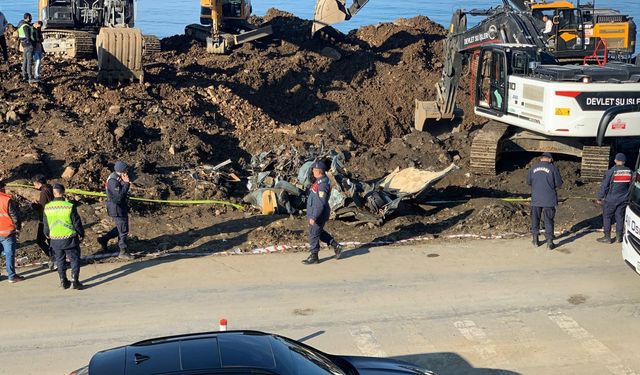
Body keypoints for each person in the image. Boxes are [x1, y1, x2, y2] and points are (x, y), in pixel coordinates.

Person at [43, 184, 84, 289]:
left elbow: (46, 224)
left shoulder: (47, 207)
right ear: (63, 192)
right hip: (69, 238)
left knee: (60, 260)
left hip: (55, 239)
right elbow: (76, 222)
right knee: (74, 259)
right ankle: (75, 281)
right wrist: (81, 233)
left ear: (54, 193)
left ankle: (63, 281)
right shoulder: (69, 206)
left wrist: (47, 234)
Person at [302, 161, 343, 265]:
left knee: (314, 234)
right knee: (318, 233)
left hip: (318, 213)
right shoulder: (320, 181)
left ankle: (314, 256)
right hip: (315, 212)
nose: (312, 171)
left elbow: (321, 203)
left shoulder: (323, 184)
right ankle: (336, 245)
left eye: (314, 170)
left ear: (318, 171)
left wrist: (314, 216)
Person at [98, 160, 134, 260]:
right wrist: (126, 184)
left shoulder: (117, 177)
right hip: (116, 208)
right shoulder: (113, 181)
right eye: (126, 170)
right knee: (123, 230)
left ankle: (104, 239)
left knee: (121, 227)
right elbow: (118, 197)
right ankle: (123, 251)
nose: (127, 172)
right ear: (122, 170)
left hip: (119, 207)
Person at [527, 152, 563, 250]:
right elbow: (559, 184)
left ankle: (535, 240)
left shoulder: (533, 168)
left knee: (535, 219)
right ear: (550, 159)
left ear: (541, 158)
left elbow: (529, 182)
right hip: (549, 199)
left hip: (536, 199)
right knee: (549, 220)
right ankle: (550, 242)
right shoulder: (553, 168)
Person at [597, 153, 632, 244]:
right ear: (624, 161)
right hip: (623, 199)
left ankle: (607, 238)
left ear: (615, 160)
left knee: (607, 217)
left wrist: (600, 197)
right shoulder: (629, 171)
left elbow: (604, 186)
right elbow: (631, 186)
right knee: (620, 217)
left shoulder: (611, 171)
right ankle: (619, 237)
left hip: (611, 199)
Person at [0, 180, 24, 283]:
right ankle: (12, 276)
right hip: (7, 232)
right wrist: (18, 227)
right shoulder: (6, 200)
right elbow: (14, 216)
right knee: (9, 254)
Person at [32, 175, 54, 269]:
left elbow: (42, 208)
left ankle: (54, 259)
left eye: (34, 184)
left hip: (45, 219)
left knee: (41, 240)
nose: (34, 186)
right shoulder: (50, 188)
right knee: (50, 240)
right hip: (51, 218)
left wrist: (34, 205)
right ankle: (55, 259)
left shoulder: (44, 192)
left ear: (38, 183)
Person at [17, 13, 36, 82]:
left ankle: (24, 76)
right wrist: (32, 44)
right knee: (29, 62)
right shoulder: (26, 26)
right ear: (27, 17)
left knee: (25, 61)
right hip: (28, 45)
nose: (31, 19)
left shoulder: (20, 25)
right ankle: (30, 77)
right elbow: (28, 37)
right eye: (30, 17)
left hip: (24, 45)